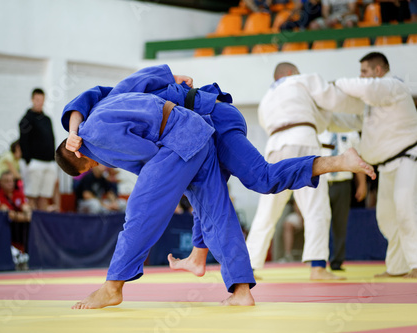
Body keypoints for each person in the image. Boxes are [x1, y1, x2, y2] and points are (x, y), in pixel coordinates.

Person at [58, 81, 375, 309]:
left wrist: (160, 183)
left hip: (203, 124)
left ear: (82, 161)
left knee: (146, 209)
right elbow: (87, 98)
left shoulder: (94, 134)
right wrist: (73, 129)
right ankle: (239, 289)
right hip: (200, 128)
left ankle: (113, 285)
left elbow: (146, 153)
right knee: (216, 203)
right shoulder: (115, 96)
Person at [245, 62, 367, 280]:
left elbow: (319, 120)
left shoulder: (266, 100)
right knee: (315, 206)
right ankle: (317, 266)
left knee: (267, 210)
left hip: (274, 148)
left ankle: (249, 266)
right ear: (291, 73)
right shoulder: (302, 80)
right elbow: (331, 102)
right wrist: (364, 106)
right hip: (302, 141)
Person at [335, 52, 417, 279]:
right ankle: (398, 266)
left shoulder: (393, 86)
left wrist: (336, 83)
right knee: (387, 217)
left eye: (364, 72)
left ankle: (416, 263)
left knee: (405, 210)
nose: (360, 77)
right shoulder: (375, 103)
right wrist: (326, 119)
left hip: (409, 158)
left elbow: (367, 89)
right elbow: (353, 122)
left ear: (378, 71)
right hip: (387, 165)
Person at [319, 130, 367, 271]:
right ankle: (318, 261)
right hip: (322, 183)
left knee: (340, 223)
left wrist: (362, 184)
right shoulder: (319, 130)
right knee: (319, 222)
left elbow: (359, 159)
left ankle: (337, 261)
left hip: (343, 183)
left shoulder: (351, 131)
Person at [19, 88, 57, 211]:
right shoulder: (27, 119)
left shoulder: (47, 119)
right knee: (32, 195)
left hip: (49, 163)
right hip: (35, 162)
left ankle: (41, 224)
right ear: (32, 100)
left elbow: (52, 139)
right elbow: (23, 140)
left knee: (45, 195)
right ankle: (31, 225)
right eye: (37, 99)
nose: (39, 102)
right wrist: (28, 160)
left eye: (41, 100)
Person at [0, 170, 32, 269]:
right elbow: (8, 214)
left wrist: (25, 214)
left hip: (19, 227)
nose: (10, 183)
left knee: (29, 226)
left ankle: (25, 254)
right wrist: (24, 217)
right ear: (0, 183)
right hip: (2, 230)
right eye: (7, 181)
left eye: (11, 181)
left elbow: (27, 210)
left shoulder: (18, 193)